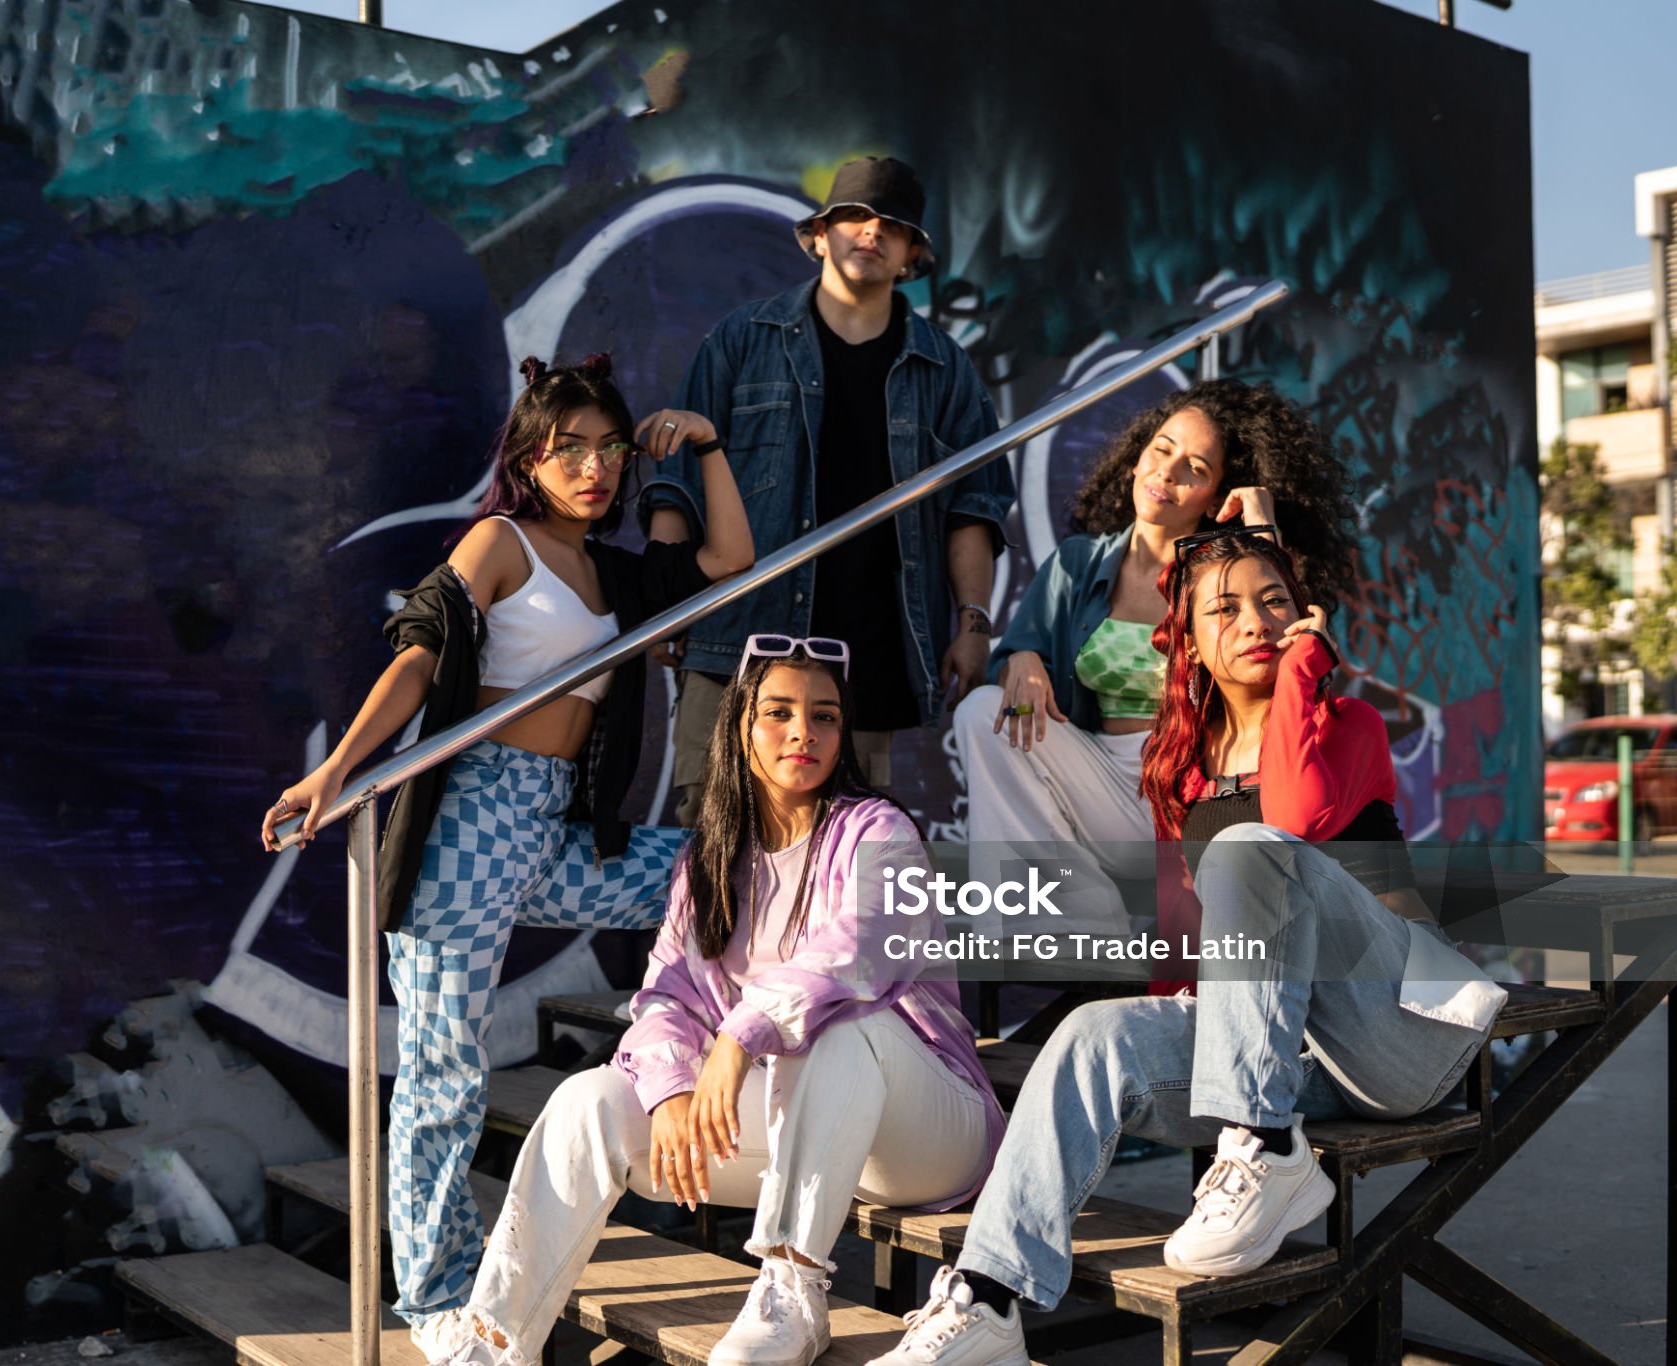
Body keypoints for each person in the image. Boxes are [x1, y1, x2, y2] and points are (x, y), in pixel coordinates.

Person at [862, 532, 1505, 1366]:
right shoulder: (1184, 768)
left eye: (1275, 602)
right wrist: (1161, 1026)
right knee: (1092, 1034)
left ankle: (1265, 1147)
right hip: (1283, 1056)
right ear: (1188, 643)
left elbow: (1291, 819)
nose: (1256, 622)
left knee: (1249, 850)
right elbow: (1185, 937)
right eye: (1225, 609)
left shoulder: (1346, 725)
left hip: (1399, 1028)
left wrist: (1303, 673)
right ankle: (987, 1299)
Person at [258, 354, 754, 1351]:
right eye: (570, 449)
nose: (594, 468)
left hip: (557, 828)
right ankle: (435, 1300)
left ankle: (742, 1049)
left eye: (610, 449)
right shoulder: (501, 543)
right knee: (443, 1076)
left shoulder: (609, 571)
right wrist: (338, 773)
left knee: (722, 869)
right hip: (471, 826)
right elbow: (419, 654)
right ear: (530, 458)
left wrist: (705, 446)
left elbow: (729, 561)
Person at [428, 639, 1002, 1366]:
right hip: (806, 1133)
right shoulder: (710, 858)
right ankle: (494, 1342)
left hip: (925, 1134)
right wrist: (670, 1087)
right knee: (589, 1101)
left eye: (824, 716)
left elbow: (854, 955)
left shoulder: (878, 832)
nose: (803, 732)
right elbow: (665, 994)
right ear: (740, 727)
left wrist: (736, 1037)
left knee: (835, 1028)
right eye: (779, 713)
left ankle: (792, 1293)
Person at [642, 155, 1014, 823]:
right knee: (713, 831)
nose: (872, 231)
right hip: (737, 640)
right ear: (819, 235)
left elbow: (974, 507)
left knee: (842, 844)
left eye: (892, 225)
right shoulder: (744, 340)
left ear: (912, 254)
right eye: (854, 216)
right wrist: (666, 599)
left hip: (867, 656)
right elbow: (677, 481)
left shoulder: (944, 368)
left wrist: (973, 624)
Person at [951, 380, 1357, 934]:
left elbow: (1281, 655)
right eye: (1162, 450)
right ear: (1136, 459)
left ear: (1215, 499)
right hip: (1095, 784)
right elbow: (1014, 661)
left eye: (1195, 468)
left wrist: (1262, 531)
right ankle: (1074, 921)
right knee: (982, 711)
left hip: (1188, 791)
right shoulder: (1077, 563)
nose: (1168, 472)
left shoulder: (1220, 579)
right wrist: (1021, 657)